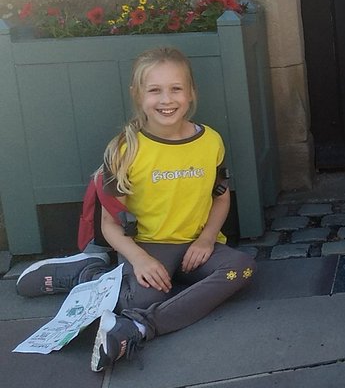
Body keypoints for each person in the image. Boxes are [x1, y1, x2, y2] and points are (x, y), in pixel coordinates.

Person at [22, 47, 255, 371]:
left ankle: (138, 327)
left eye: (176, 89)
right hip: (147, 247)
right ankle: (89, 275)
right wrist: (140, 259)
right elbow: (109, 224)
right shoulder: (125, 150)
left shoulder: (210, 141)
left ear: (191, 93)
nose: (166, 99)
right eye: (155, 90)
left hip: (196, 248)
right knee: (145, 298)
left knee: (241, 269)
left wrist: (206, 239)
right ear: (137, 94)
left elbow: (221, 197)